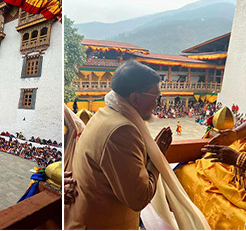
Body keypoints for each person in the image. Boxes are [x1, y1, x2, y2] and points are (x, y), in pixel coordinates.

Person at [65, 61, 192, 230]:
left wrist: (150, 151)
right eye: (156, 97)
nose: (157, 104)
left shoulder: (104, 114)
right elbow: (139, 198)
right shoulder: (122, 131)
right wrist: (157, 155)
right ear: (135, 98)